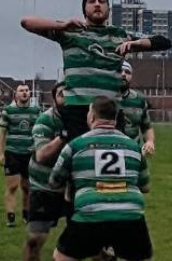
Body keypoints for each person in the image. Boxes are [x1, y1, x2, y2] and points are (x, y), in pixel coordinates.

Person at [20, 0, 172, 140]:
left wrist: (136, 44)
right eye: (92, 1)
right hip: (77, 108)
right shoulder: (70, 31)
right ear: (84, 10)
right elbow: (26, 22)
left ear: (108, 9)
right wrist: (62, 25)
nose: (97, 4)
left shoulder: (119, 35)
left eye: (102, 1)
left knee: (112, 152)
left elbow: (165, 42)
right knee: (79, 156)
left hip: (110, 109)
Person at [48, 96, 153, 261]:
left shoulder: (75, 145)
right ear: (116, 118)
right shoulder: (134, 147)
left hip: (90, 214)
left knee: (60, 257)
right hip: (129, 215)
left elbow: (54, 182)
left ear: (92, 117)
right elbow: (145, 186)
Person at [25, 82, 68, 261]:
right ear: (54, 99)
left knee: (96, 244)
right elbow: (42, 155)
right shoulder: (45, 120)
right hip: (44, 186)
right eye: (61, 95)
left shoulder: (87, 119)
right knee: (35, 240)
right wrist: (64, 136)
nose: (66, 99)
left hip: (73, 188)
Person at [0, 84, 36, 228]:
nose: (24, 93)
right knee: (12, 186)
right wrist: (0, 153)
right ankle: (11, 217)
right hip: (13, 153)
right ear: (16, 95)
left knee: (27, 187)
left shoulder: (36, 111)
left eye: (26, 90)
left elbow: (40, 131)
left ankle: (26, 214)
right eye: (21, 91)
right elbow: (1, 133)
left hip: (30, 153)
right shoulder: (8, 110)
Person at [118, 65, 156, 158]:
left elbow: (146, 126)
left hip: (133, 150)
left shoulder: (139, 99)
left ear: (131, 76)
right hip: (110, 150)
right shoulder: (104, 97)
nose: (123, 74)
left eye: (127, 72)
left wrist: (150, 142)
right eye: (119, 71)